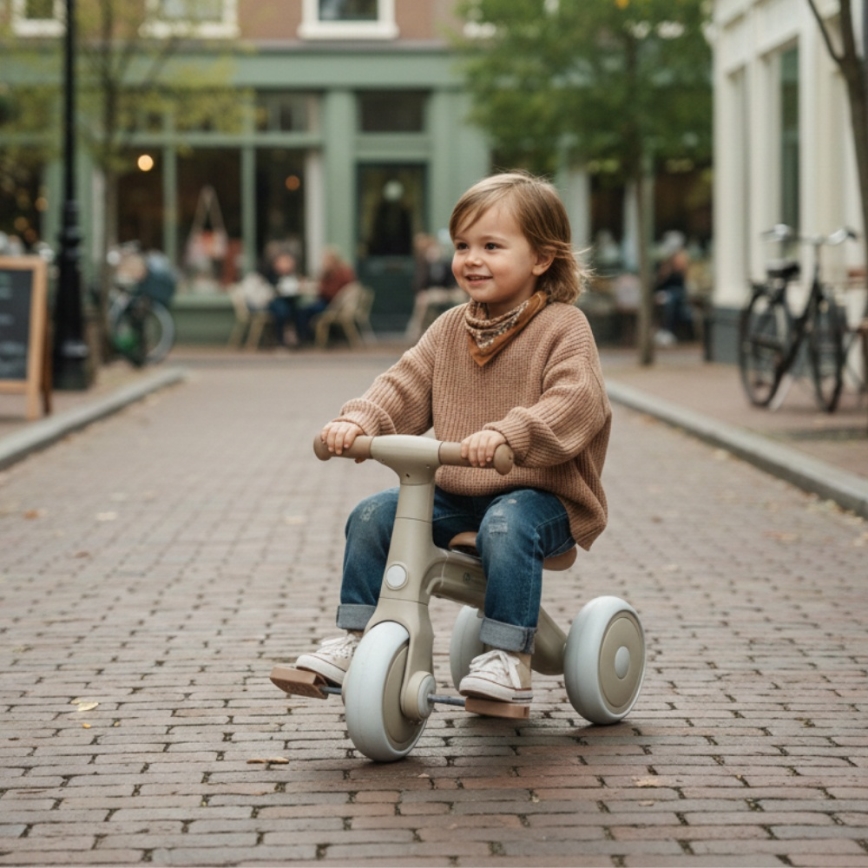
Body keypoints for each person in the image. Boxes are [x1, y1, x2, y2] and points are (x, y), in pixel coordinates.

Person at [293, 171, 611, 708]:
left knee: (507, 523)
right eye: (462, 245)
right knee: (374, 516)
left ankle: (511, 656)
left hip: (544, 497)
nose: (472, 258)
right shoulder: (449, 327)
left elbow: (575, 403)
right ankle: (357, 639)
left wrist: (511, 433)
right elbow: (404, 384)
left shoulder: (565, 328)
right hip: (459, 493)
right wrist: (361, 422)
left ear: (541, 258)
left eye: (492, 245)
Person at [294, 246, 356, 343]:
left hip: (333, 304)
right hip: (329, 302)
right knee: (303, 309)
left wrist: (319, 287)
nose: (323, 263)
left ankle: (305, 338)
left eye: (325, 260)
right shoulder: (329, 272)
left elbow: (330, 292)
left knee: (303, 312)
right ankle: (309, 336)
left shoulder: (341, 273)